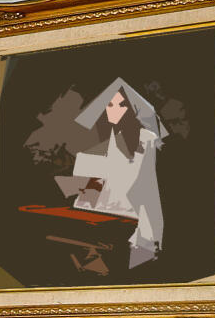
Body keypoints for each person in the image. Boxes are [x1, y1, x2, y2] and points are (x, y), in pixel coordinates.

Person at [63, 80, 167, 271]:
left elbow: (145, 186)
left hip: (129, 215)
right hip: (97, 215)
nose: (114, 110)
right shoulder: (100, 139)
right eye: (110, 104)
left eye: (121, 105)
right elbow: (89, 184)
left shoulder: (145, 139)